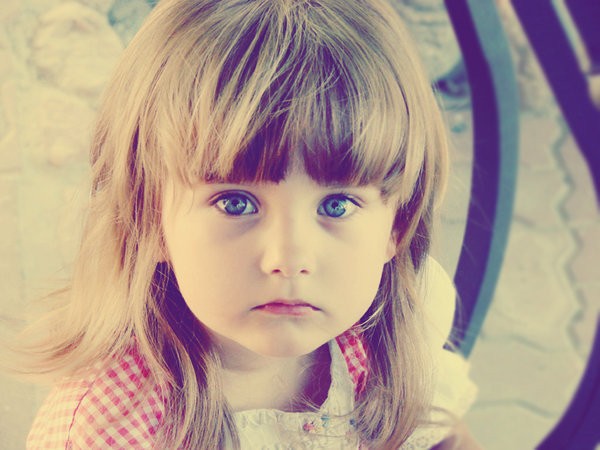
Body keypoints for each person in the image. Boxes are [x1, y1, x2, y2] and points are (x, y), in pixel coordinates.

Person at [19, 0, 479, 448]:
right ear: (149, 218)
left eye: (337, 206)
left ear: (397, 224)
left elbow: (438, 431)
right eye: (236, 203)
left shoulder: (387, 335)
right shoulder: (108, 428)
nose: (290, 259)